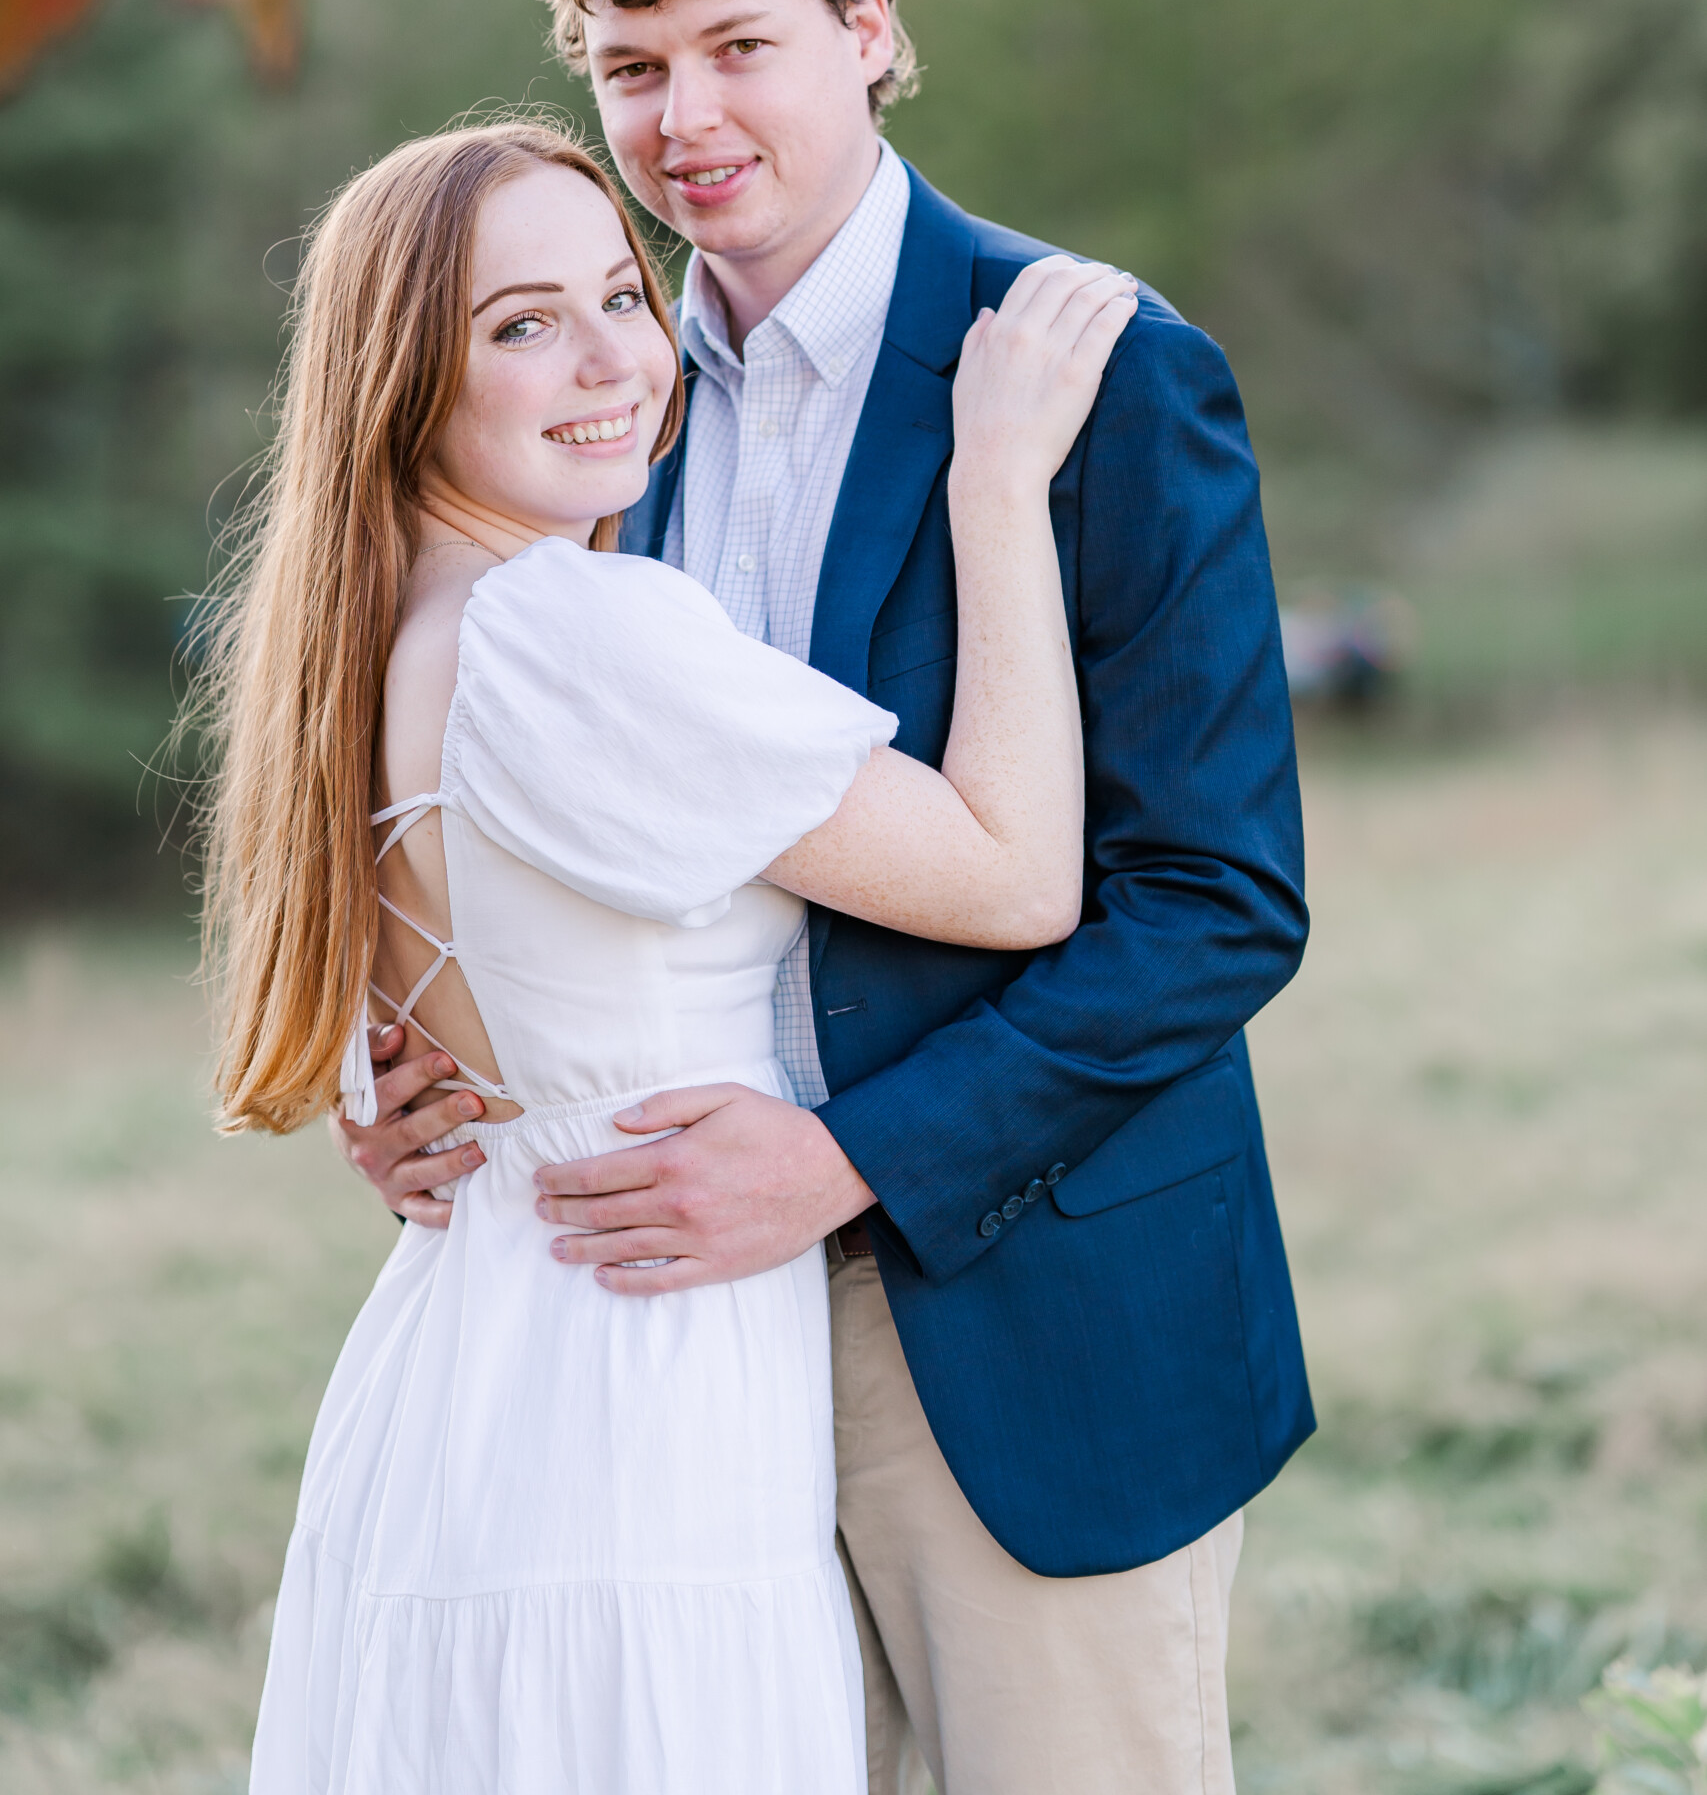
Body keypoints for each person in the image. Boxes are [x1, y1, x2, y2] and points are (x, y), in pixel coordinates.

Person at [338, 0, 1315, 1794]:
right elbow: (548, 796)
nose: (683, 115)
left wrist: (848, 1153)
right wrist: (432, 1053)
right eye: (629, 63)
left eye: (737, 43)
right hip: (677, 1360)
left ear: (866, 23)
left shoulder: (1089, 367)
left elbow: (1213, 895)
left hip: (1019, 1307)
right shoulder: (590, 401)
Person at [200, 112, 1135, 1791]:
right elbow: (1011, 875)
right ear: (403, 377)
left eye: (620, 295)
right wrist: (995, 481)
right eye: (518, 324)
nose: (610, 359)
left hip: (475, 1362)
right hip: (632, 1396)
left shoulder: (379, 644)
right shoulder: (573, 628)